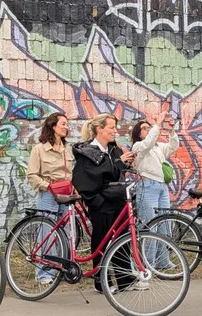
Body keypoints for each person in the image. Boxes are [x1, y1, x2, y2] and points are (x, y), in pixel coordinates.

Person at [71, 113, 144, 293]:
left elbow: (114, 171)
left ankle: (124, 279)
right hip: (101, 203)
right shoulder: (88, 152)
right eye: (111, 127)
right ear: (99, 129)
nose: (115, 131)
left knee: (121, 240)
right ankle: (101, 281)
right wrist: (96, 201)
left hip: (118, 199)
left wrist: (125, 163)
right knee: (101, 242)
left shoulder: (112, 149)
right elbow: (82, 180)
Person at [26, 112, 72, 285]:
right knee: (47, 234)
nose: (66, 127)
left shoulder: (67, 150)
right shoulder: (39, 149)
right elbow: (32, 175)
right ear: (53, 126)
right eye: (63, 124)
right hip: (48, 194)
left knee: (66, 234)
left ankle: (62, 269)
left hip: (66, 195)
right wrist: (48, 186)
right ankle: (44, 273)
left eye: (67, 124)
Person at [131, 110, 179, 269]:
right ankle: (148, 263)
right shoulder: (139, 146)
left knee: (164, 223)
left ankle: (162, 261)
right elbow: (148, 142)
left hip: (161, 187)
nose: (148, 130)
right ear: (138, 134)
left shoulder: (157, 147)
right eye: (144, 128)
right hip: (147, 186)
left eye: (148, 127)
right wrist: (157, 124)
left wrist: (172, 131)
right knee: (149, 225)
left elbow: (173, 146)